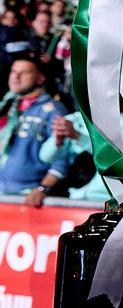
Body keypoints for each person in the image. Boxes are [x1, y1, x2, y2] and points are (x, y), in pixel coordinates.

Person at [0, 55, 71, 206]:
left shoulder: (54, 110)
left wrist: (42, 188)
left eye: (24, 72)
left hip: (26, 196)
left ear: (40, 78)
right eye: (13, 71)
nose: (16, 76)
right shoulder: (6, 105)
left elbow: (62, 157)